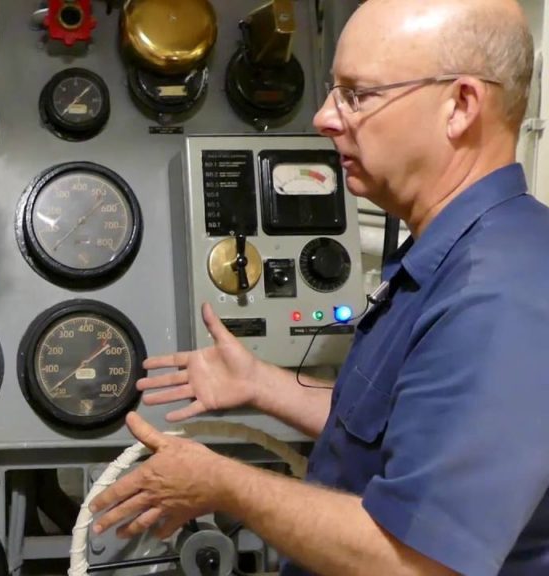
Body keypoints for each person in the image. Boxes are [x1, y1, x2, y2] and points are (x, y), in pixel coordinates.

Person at [89, 0, 549, 574]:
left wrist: (222, 483)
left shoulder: (500, 295)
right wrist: (262, 384)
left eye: (357, 95)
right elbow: (402, 430)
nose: (324, 118)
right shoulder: (454, 258)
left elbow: (418, 563)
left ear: (459, 106)